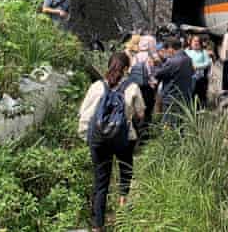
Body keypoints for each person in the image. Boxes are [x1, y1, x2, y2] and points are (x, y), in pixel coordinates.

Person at [78, 51, 145, 232]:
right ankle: (122, 207)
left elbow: (83, 113)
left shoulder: (97, 87)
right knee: (125, 169)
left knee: (101, 183)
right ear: (125, 69)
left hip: (99, 140)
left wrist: (87, 136)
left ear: (109, 65)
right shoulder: (132, 88)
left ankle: (98, 226)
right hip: (123, 138)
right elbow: (141, 113)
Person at [153, 36, 194, 125]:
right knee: (180, 124)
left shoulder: (173, 61)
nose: (166, 53)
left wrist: (156, 64)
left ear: (171, 48)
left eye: (166, 50)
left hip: (171, 99)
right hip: (184, 97)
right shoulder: (188, 59)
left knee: (168, 125)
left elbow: (157, 74)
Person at [129, 35, 158, 140]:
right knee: (147, 111)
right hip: (148, 87)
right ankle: (145, 136)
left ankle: (136, 133)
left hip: (137, 87)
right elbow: (151, 73)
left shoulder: (135, 56)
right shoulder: (150, 57)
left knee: (138, 110)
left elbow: (130, 71)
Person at [186, 35, 211, 109]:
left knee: (200, 96)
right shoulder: (187, 51)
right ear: (191, 42)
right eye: (194, 41)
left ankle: (199, 110)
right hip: (188, 78)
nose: (196, 43)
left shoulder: (203, 52)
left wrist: (197, 66)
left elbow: (207, 63)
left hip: (200, 79)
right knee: (190, 96)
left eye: (197, 41)